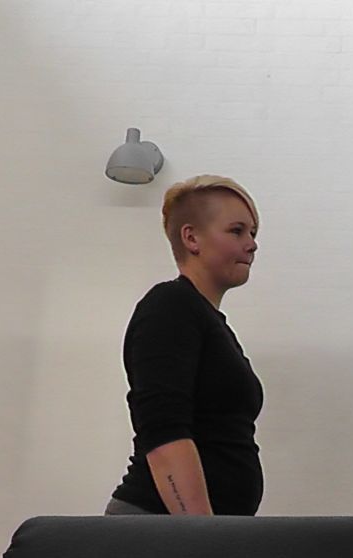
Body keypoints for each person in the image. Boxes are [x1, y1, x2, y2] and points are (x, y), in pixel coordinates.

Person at [106, 175, 264, 516]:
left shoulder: (209, 322)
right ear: (191, 237)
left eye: (253, 233)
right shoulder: (170, 307)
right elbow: (164, 432)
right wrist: (200, 535)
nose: (251, 244)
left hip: (194, 529)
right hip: (160, 526)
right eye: (237, 231)